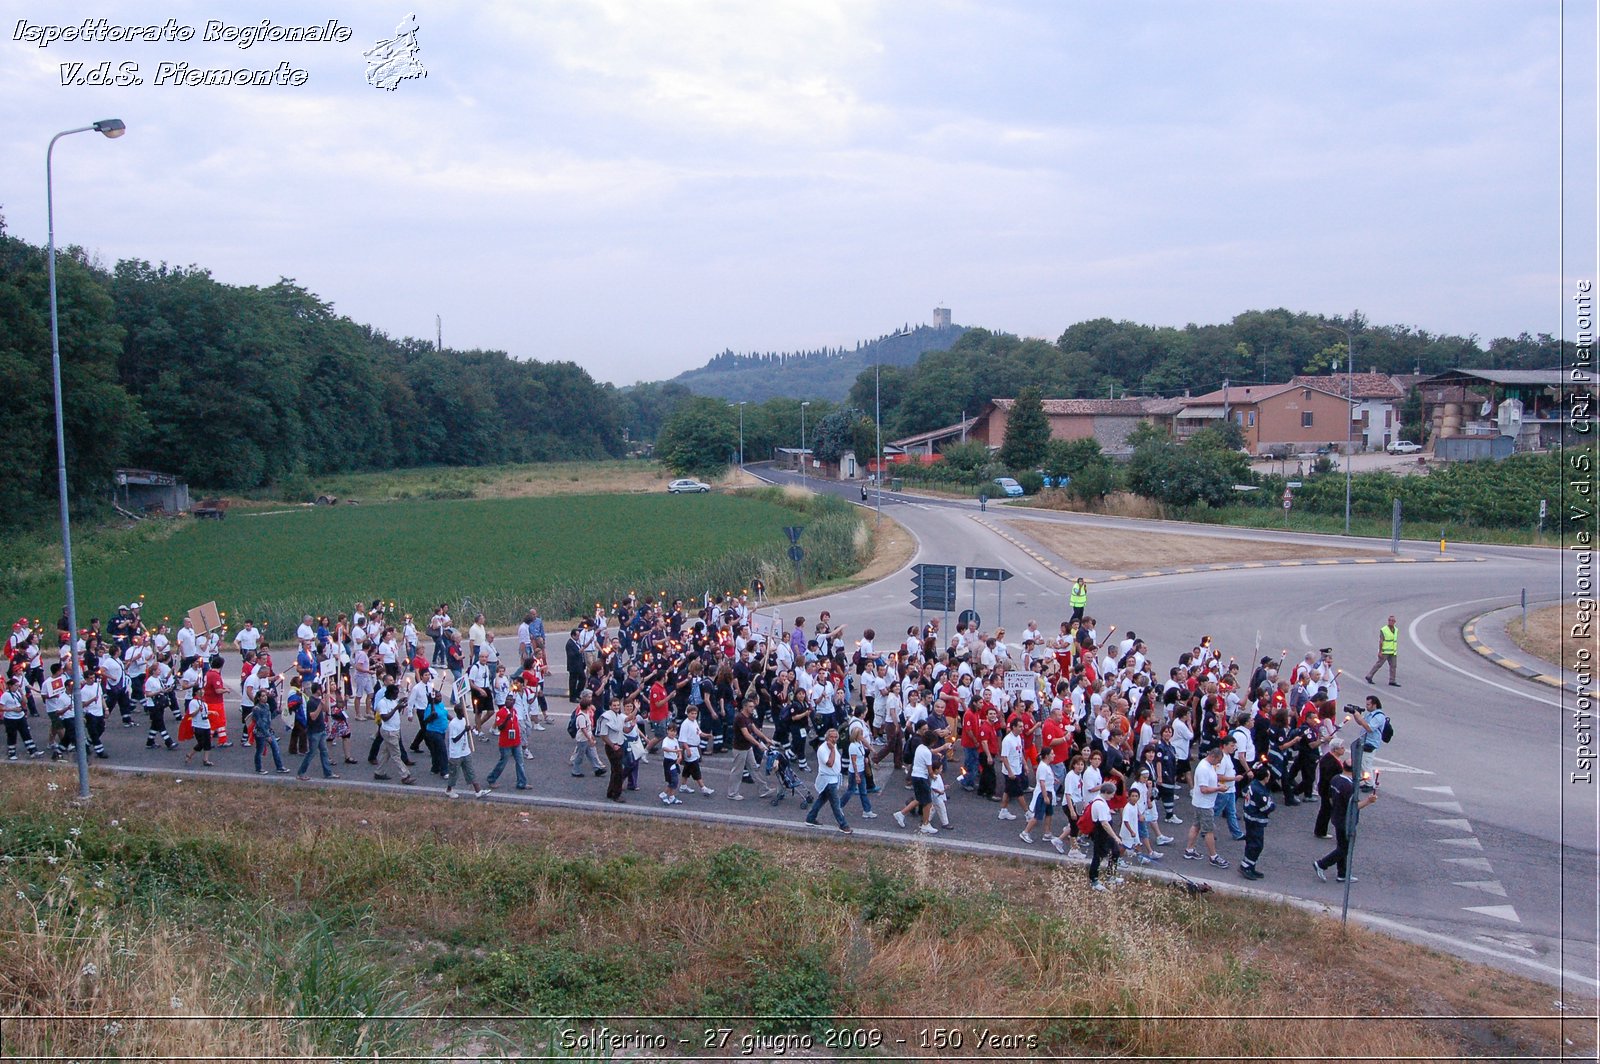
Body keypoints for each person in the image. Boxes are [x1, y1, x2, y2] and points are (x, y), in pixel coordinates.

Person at [1314, 753, 1379, 882]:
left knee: (1342, 846)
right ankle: (1321, 864)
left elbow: (1331, 798)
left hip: (1337, 816)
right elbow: (1354, 806)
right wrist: (1369, 801)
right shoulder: (1348, 788)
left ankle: (1342, 874)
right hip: (1346, 821)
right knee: (1344, 849)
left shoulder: (1336, 779)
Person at [1182, 745, 1230, 868]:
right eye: (1218, 761)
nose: (1218, 764)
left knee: (1196, 825)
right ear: (1213, 757)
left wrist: (1217, 785)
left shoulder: (1208, 765)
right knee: (1208, 830)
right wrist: (1218, 788)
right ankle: (1213, 856)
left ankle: (1189, 850)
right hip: (1204, 804)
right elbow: (1203, 789)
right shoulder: (1204, 768)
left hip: (1201, 803)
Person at [893, 721, 939, 835]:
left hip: (915, 776)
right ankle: (925, 824)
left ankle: (901, 814)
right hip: (922, 778)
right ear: (932, 742)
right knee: (927, 801)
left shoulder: (920, 748)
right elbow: (929, 770)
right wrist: (934, 776)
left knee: (919, 799)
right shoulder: (927, 752)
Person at [804, 727, 852, 833]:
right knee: (836, 804)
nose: (834, 739)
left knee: (822, 799)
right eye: (831, 737)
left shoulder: (833, 746)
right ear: (827, 737)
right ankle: (843, 824)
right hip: (828, 780)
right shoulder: (823, 749)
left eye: (835, 737)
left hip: (832, 779)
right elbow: (830, 763)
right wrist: (832, 751)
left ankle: (810, 818)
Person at [727, 697, 774, 801]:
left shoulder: (749, 717)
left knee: (754, 768)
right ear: (744, 707)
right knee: (737, 771)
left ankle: (763, 789)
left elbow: (754, 729)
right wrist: (758, 744)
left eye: (753, 706)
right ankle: (732, 793)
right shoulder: (740, 718)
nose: (753, 708)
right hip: (740, 748)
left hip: (747, 748)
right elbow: (746, 734)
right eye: (750, 707)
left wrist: (766, 739)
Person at [1239, 756, 1276, 880]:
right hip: (1256, 820)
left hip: (1249, 818)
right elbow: (1267, 808)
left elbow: (1244, 792)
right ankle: (1246, 867)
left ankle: (1250, 865)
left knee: (1251, 843)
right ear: (1265, 778)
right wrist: (1271, 803)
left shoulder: (1252, 784)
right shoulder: (1260, 791)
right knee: (1256, 845)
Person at [373, 681, 415, 785]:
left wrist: (400, 703)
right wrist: (396, 708)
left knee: (386, 753)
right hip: (389, 731)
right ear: (390, 693)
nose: (397, 695)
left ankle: (379, 772)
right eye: (396, 694)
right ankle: (405, 775)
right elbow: (385, 718)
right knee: (396, 754)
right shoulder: (382, 703)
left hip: (395, 730)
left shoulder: (393, 700)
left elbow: (396, 707)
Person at [484, 691, 527, 790]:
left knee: (520, 762)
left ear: (514, 702)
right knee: (503, 762)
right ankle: (491, 778)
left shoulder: (515, 711)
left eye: (510, 700)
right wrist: (507, 719)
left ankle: (522, 783)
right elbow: (500, 727)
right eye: (507, 699)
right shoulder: (501, 712)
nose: (508, 701)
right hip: (505, 743)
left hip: (516, 742)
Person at [444, 701, 488, 798]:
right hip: (456, 754)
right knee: (454, 773)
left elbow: (468, 730)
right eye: (463, 711)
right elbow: (454, 739)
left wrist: (471, 730)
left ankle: (478, 791)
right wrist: (465, 730)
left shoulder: (465, 720)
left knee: (470, 771)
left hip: (465, 751)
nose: (465, 713)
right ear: (458, 712)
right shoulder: (453, 724)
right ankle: (449, 790)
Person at [295, 682, 338, 780]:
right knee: (311, 753)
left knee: (324, 752)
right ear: (318, 690)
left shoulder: (318, 700)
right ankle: (301, 772)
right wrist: (320, 706)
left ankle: (328, 773)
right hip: (314, 732)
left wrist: (326, 701)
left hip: (321, 730)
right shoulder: (311, 702)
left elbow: (326, 710)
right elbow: (313, 716)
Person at [1018, 744, 1056, 844]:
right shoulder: (1043, 767)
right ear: (1047, 756)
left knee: (1049, 813)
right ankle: (1025, 832)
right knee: (1037, 815)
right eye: (1052, 754)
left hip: (1049, 793)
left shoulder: (1046, 766)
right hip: (1043, 794)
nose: (1054, 755)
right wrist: (1045, 796)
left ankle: (1047, 833)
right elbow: (1042, 782)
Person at [1085, 782, 1120, 891]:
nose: (1113, 796)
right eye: (1112, 794)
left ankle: (1111, 875)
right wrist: (1115, 836)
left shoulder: (1102, 801)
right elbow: (1104, 823)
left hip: (1105, 833)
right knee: (1098, 856)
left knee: (1115, 851)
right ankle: (1093, 880)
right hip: (1101, 833)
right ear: (1106, 792)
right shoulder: (1099, 804)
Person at [1314, 738, 1347, 838]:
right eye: (1341, 748)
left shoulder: (1330, 758)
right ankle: (1320, 831)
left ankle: (1320, 830)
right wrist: (1330, 795)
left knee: (1325, 810)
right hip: (1327, 790)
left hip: (1326, 789)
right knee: (1326, 811)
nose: (1344, 749)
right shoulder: (1331, 763)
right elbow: (1329, 780)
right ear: (1335, 750)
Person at [250, 687, 288, 774]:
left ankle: (280, 767)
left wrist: (277, 712)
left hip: (268, 731)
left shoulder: (267, 706)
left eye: (265, 696)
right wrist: (267, 735)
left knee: (276, 748)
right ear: (259, 698)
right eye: (263, 696)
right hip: (260, 733)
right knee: (259, 751)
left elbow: (269, 718)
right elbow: (259, 723)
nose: (265, 697)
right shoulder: (256, 709)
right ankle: (258, 768)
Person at [679, 704, 714, 796]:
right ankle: (703, 787)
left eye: (695, 713)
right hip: (690, 748)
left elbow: (699, 732)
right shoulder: (685, 724)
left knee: (687, 768)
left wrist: (706, 735)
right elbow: (683, 739)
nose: (694, 715)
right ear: (688, 714)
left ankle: (683, 785)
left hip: (695, 748)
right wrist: (687, 749)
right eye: (692, 713)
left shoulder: (694, 722)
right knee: (695, 769)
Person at [597, 697, 627, 802]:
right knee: (618, 771)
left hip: (619, 744)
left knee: (615, 770)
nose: (617, 707)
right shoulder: (606, 718)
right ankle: (616, 795)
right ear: (610, 706)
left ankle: (610, 792)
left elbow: (627, 719)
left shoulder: (618, 716)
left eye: (618, 705)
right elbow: (603, 735)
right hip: (612, 747)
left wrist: (636, 709)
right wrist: (612, 745)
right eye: (614, 705)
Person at [1363, 614, 1400, 687]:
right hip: (1385, 651)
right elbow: (1381, 641)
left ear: (1395, 622)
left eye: (1392, 621)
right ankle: (1369, 676)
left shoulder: (1396, 630)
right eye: (1389, 620)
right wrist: (1380, 651)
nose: (1391, 622)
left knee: (1393, 666)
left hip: (1392, 651)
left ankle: (1392, 680)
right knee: (1379, 664)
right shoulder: (1384, 630)